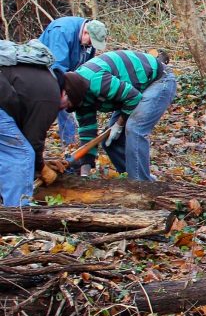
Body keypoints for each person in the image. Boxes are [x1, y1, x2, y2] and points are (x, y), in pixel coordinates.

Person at [62, 50, 177, 181]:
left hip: (159, 80)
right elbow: (88, 136)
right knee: (110, 141)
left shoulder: (96, 80)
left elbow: (133, 98)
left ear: (69, 94)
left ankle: (141, 185)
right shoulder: (79, 100)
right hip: (132, 92)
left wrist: (118, 124)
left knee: (135, 128)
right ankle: (132, 178)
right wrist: (84, 174)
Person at [0, 61, 66, 205]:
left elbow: (22, 136)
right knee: (21, 155)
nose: (62, 109)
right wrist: (41, 168)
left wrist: (42, 163)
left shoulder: (40, 78)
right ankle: (17, 217)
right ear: (65, 92)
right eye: (67, 105)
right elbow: (32, 141)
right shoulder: (51, 95)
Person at [38, 17, 108, 146]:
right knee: (66, 102)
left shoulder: (88, 41)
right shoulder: (61, 31)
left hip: (66, 73)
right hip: (46, 74)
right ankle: (71, 144)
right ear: (86, 32)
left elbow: (86, 67)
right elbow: (58, 68)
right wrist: (73, 92)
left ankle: (81, 141)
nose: (92, 45)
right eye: (92, 41)